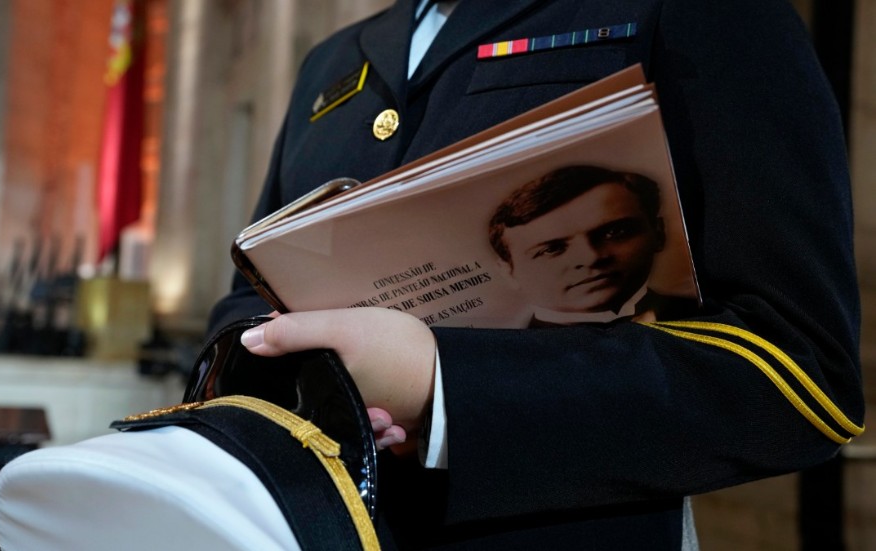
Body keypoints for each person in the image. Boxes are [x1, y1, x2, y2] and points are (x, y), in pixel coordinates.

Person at [210, 0, 866, 549]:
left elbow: (800, 365)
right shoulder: (335, 60)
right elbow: (251, 291)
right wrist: (293, 365)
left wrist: (444, 386)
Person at [487, 164, 695, 326]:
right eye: (551, 249)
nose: (591, 257)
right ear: (508, 272)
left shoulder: (703, 310)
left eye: (615, 233)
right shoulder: (508, 361)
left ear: (658, 233)